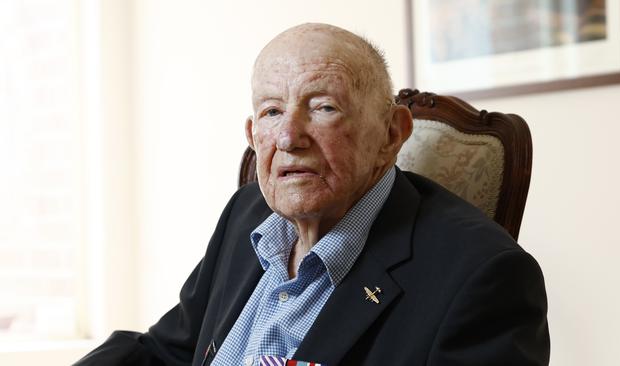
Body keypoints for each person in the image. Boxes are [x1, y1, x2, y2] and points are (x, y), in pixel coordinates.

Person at [74, 23, 550, 366]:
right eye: (271, 111)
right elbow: (169, 350)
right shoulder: (246, 216)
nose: (288, 137)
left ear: (390, 134)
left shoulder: (485, 275)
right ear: (251, 133)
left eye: (322, 107)